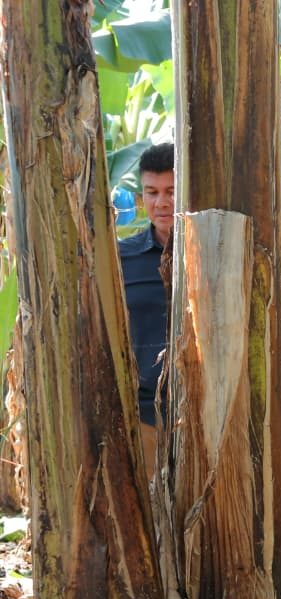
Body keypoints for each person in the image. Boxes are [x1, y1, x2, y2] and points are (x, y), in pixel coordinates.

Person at [117, 143, 174, 478]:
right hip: (145, 416)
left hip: (208, 409)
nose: (161, 202)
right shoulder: (124, 258)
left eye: (170, 191)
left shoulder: (213, 250)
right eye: (152, 192)